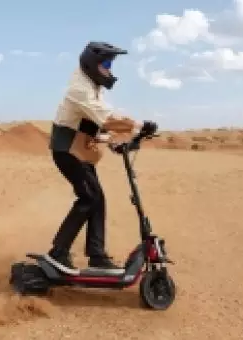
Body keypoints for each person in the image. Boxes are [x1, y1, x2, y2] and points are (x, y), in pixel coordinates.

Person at [44, 41, 156, 275]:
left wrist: (115, 140)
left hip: (80, 151)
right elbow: (106, 118)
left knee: (97, 199)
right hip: (68, 151)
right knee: (88, 197)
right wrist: (139, 126)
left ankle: (97, 255)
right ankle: (58, 251)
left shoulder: (92, 87)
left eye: (110, 64)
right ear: (92, 64)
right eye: (106, 63)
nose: (109, 68)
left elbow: (96, 125)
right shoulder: (80, 89)